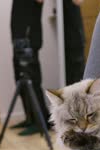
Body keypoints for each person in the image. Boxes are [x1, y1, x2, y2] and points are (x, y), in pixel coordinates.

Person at [10, 0, 85, 135]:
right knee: (20, 74)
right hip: (21, 35)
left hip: (35, 36)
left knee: (32, 76)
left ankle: (42, 121)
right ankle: (31, 118)